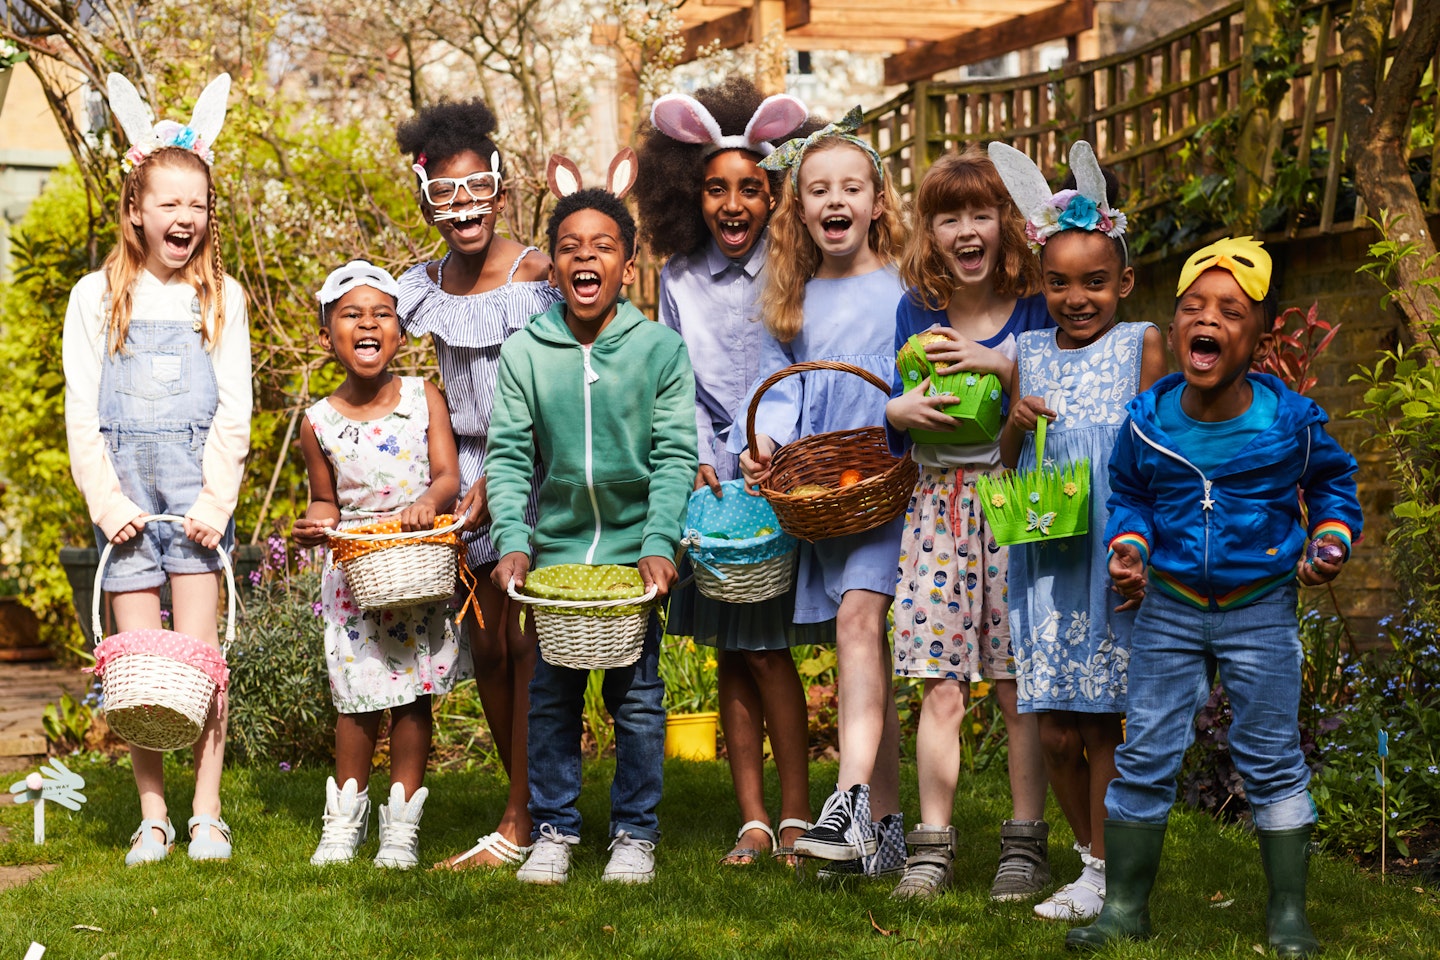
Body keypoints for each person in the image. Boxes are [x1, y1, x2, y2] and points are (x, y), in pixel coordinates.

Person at [1067, 237, 1362, 956]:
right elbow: (1131, 495)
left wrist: (1330, 537)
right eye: (1194, 306)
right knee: (1146, 755)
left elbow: (1332, 485)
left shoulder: (1288, 421)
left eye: (1231, 310)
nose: (1209, 318)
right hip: (1167, 607)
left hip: (1260, 607)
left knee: (1270, 756)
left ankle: (1288, 916)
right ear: (1174, 330)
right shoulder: (1148, 420)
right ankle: (1125, 910)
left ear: (1258, 336)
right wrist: (1129, 547)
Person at [485, 153, 698, 886]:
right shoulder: (525, 354)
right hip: (560, 556)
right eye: (570, 246)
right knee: (550, 697)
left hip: (635, 554)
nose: (585, 256)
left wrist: (659, 543)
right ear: (554, 268)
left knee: (636, 699)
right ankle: (554, 827)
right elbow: (510, 457)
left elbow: (675, 455)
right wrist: (514, 542)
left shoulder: (660, 350)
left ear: (629, 265)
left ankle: (635, 831)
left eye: (602, 246)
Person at [63, 73, 251, 865]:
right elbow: (80, 413)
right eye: (168, 203)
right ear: (135, 210)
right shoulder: (96, 298)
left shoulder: (224, 299)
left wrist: (214, 499)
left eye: (197, 205)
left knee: (202, 662)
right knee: (138, 670)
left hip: (195, 502)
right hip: (126, 505)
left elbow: (234, 411)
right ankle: (154, 815)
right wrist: (106, 503)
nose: (185, 218)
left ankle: (207, 811)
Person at [635, 77, 818, 867]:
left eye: (751, 188)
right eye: (716, 189)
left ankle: (800, 813)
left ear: (774, 193)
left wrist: (769, 446)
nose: (734, 205)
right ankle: (752, 817)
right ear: (690, 194)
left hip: (781, 479)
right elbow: (679, 387)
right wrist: (704, 465)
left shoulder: (793, 268)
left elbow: (803, 370)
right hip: (715, 491)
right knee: (730, 651)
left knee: (770, 648)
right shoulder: (677, 282)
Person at [989, 140, 1166, 920]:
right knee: (1055, 726)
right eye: (1058, 283)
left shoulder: (1142, 344)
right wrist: (1013, 423)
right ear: (1041, 283)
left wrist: (1150, 546)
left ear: (1123, 282)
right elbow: (1004, 464)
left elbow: (1164, 448)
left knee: (1104, 722)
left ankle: (1106, 870)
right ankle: (1090, 859)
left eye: (1096, 282)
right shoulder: (1027, 351)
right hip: (1048, 553)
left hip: (1114, 551)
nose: (1077, 297)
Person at [735, 108, 909, 878]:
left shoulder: (906, 287)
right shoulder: (794, 297)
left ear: (877, 201)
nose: (835, 201)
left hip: (896, 479)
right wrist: (763, 441)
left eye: (851, 187)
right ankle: (888, 828)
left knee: (856, 624)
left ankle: (844, 804)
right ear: (798, 209)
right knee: (865, 650)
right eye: (817, 190)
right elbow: (781, 395)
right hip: (831, 492)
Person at [394, 100, 563, 869]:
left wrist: (500, 476)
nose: (463, 209)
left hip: (530, 471)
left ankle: (529, 815)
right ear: (427, 200)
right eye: (445, 195)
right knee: (489, 651)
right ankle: (522, 804)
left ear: (501, 191)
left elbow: (559, 386)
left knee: (529, 648)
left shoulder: (538, 274)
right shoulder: (422, 285)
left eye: (477, 191)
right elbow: (363, 346)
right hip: (465, 483)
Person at [882, 147, 1053, 899]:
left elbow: (1061, 382)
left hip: (1019, 503)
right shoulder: (916, 309)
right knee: (940, 685)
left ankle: (1024, 846)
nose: (966, 229)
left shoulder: (1037, 304)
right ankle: (932, 847)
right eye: (949, 216)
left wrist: (994, 360)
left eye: (980, 213)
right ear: (930, 231)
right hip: (937, 507)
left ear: (1006, 224)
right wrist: (897, 411)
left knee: (1018, 685)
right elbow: (898, 403)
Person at [292, 260, 470, 869]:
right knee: (355, 696)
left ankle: (402, 825)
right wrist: (319, 523)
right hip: (356, 576)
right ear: (326, 336)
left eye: (382, 315)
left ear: (399, 334)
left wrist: (428, 502)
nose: (368, 323)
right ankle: (344, 821)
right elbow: (325, 497)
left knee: (412, 694)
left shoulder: (424, 398)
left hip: (416, 566)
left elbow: (447, 475)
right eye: (351, 315)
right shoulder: (317, 423)